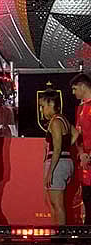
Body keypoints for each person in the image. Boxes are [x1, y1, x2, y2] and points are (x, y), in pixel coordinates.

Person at [40, 92, 73, 225]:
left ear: (51, 104)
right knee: (56, 204)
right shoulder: (63, 119)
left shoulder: (55, 122)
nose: (41, 110)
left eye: (43, 106)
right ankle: (59, 235)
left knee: (57, 204)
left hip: (58, 164)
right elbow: (75, 134)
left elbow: (57, 148)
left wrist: (50, 172)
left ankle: (60, 238)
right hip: (65, 162)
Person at [71, 73, 91, 224]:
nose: (73, 93)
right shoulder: (80, 108)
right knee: (87, 196)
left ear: (83, 86)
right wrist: (81, 152)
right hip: (86, 161)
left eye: (75, 88)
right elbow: (78, 134)